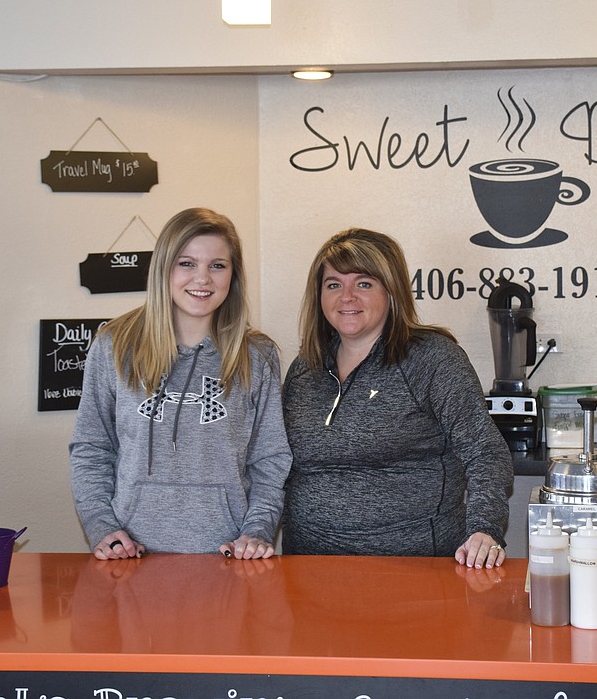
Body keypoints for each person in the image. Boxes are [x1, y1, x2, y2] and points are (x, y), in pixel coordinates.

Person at [281, 228, 513, 568]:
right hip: (307, 571)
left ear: (392, 291)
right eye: (333, 284)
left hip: (414, 573)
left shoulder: (432, 359)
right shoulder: (305, 367)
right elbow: (276, 465)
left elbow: (486, 453)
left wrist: (484, 529)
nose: (347, 296)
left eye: (363, 283)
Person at [70, 208, 292, 560]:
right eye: (186, 263)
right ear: (163, 269)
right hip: (130, 555)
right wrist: (102, 526)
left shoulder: (257, 355)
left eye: (217, 266)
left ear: (233, 276)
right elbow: (92, 449)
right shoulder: (115, 345)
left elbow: (270, 459)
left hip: (228, 556)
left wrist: (257, 530)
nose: (202, 279)